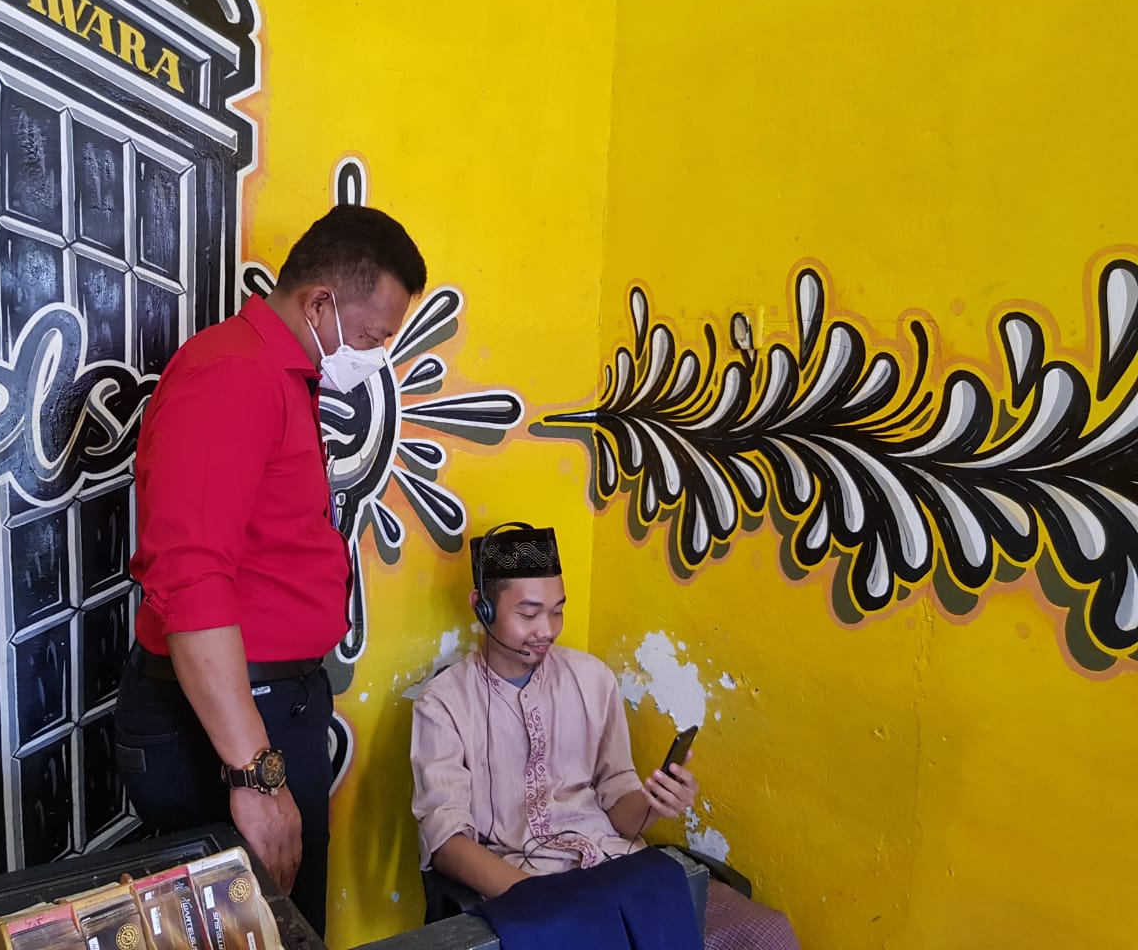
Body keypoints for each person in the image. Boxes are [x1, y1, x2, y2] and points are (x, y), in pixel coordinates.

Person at [114, 204, 427, 938]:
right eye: (373, 337)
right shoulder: (233, 374)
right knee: (252, 928)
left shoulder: (281, 377)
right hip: (224, 725)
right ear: (320, 304)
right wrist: (255, 775)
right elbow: (191, 581)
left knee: (286, 922)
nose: (377, 356)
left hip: (269, 705)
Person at [410, 523, 801, 950]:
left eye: (557, 611)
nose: (547, 629)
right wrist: (541, 896)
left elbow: (619, 810)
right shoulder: (443, 704)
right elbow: (446, 841)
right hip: (527, 886)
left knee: (766, 933)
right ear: (481, 608)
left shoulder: (591, 678)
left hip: (617, 865)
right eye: (528, 614)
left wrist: (655, 803)